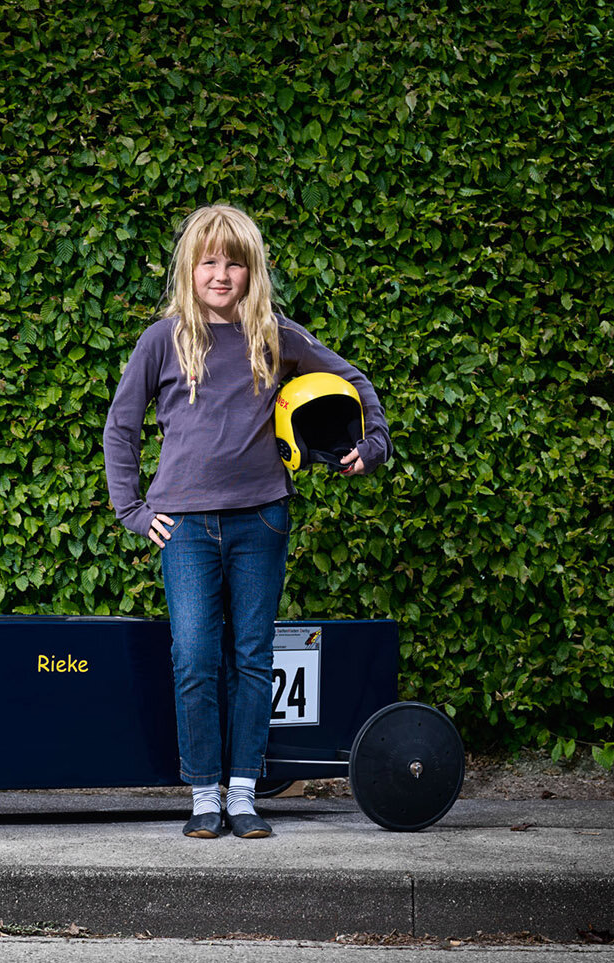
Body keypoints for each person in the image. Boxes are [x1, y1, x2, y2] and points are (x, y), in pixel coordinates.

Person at [102, 204, 391, 839]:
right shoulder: (163, 339)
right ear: (189, 268)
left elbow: (355, 381)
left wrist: (372, 446)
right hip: (184, 528)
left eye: (234, 261)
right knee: (196, 657)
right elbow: (120, 427)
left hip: (261, 521)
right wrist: (133, 509)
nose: (221, 273)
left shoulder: (276, 336)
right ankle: (204, 793)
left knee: (254, 656)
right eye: (209, 260)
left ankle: (243, 793)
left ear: (252, 269)